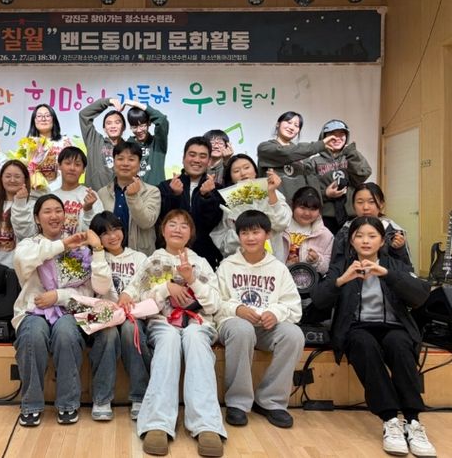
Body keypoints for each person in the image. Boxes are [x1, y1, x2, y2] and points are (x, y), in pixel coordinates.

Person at [312, 217, 436, 457]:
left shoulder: (395, 264)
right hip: (356, 328)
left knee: (400, 344)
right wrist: (342, 280)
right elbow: (318, 300)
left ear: (382, 241)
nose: (365, 241)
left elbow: (420, 296)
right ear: (351, 241)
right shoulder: (342, 265)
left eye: (372, 236)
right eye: (359, 236)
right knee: (363, 344)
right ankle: (390, 420)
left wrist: (387, 274)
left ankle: (413, 421)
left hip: (394, 326)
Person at [125, 210, 225, 457]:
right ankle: (157, 423)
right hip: (162, 322)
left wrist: (192, 280)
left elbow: (214, 304)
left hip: (198, 323)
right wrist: (165, 288)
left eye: (184, 225)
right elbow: (135, 295)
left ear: (191, 233)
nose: (178, 229)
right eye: (172, 224)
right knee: (169, 339)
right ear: (163, 230)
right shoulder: (152, 261)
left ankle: (207, 425)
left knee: (194, 339)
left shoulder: (200, 262)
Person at [12, 195, 111, 427]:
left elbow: (92, 290)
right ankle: (31, 404)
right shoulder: (29, 245)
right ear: (37, 218)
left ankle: (68, 403)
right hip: (34, 309)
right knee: (32, 335)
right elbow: (23, 260)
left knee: (66, 332)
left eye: (58, 210)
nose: (54, 216)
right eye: (47, 211)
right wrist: (63, 245)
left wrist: (59, 296)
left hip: (70, 309)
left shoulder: (80, 246)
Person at [215, 210, 304, 429]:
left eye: (256, 232)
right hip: (233, 325)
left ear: (267, 234)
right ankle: (237, 402)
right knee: (242, 330)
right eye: (244, 233)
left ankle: (271, 401)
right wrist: (237, 309)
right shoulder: (227, 265)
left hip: (266, 328)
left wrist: (275, 313)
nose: (250, 237)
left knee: (294, 335)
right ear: (238, 236)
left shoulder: (278, 268)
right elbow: (215, 303)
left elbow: (293, 306)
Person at [88, 211, 151, 421]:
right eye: (104, 233)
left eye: (116, 229)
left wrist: (128, 297)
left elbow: (145, 287)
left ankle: (140, 396)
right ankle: (102, 398)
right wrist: (97, 252)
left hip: (132, 313)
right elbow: (98, 289)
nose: (112, 236)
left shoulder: (140, 258)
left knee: (131, 330)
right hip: (104, 315)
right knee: (108, 335)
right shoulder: (94, 258)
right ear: (97, 237)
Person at [158, 136, 224, 269]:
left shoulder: (217, 190)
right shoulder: (165, 186)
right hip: (169, 257)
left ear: (209, 161)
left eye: (202, 156)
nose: (197, 160)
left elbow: (213, 224)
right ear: (183, 158)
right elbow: (161, 220)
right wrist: (174, 195)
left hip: (205, 259)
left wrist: (207, 197)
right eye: (192, 155)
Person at [210, 154, 291, 262]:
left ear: (255, 171)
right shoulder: (229, 200)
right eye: (236, 171)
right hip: (239, 264)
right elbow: (221, 240)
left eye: (246, 167)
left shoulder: (273, 192)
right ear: (231, 177)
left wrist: (271, 193)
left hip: (271, 261)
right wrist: (242, 234)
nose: (243, 173)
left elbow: (282, 224)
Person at [305, 119, 372, 234]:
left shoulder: (351, 156)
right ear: (324, 137)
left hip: (351, 215)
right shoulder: (314, 161)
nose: (337, 138)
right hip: (325, 216)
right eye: (332, 134)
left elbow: (363, 174)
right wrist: (326, 194)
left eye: (341, 134)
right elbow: (308, 192)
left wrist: (351, 152)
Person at [257, 111, 340, 203]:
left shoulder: (304, 155)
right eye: (289, 122)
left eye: (296, 125)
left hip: (302, 208)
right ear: (278, 124)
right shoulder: (265, 148)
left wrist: (320, 200)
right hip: (277, 207)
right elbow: (287, 153)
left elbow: (312, 184)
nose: (292, 127)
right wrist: (320, 145)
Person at [97, 141, 161, 256]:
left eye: (131, 159)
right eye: (120, 159)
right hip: (109, 257)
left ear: (139, 164)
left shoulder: (152, 192)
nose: (125, 164)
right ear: (114, 162)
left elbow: (146, 222)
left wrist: (133, 197)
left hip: (140, 256)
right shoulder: (102, 193)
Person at [331, 182, 412, 271]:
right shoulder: (345, 231)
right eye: (360, 202)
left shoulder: (393, 231)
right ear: (353, 205)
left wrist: (399, 250)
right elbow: (335, 265)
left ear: (381, 204)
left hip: (385, 279)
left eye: (371, 202)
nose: (366, 207)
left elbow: (407, 270)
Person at [281, 186, 334, 274]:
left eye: (313, 209)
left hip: (308, 281)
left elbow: (327, 269)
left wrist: (316, 260)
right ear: (293, 205)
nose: (307, 213)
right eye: (302, 207)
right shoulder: (280, 228)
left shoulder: (326, 235)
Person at [53, 146, 103, 236]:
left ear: (83, 170)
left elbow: (98, 231)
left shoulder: (90, 196)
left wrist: (88, 210)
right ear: (59, 166)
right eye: (68, 163)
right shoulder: (51, 197)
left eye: (77, 164)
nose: (72, 168)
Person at [79, 97, 127, 191]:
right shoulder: (94, 141)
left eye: (117, 122)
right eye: (109, 123)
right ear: (104, 128)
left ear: (124, 127)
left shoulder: (129, 148)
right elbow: (84, 115)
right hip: (94, 197)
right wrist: (107, 102)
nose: (113, 126)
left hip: (120, 197)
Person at [25, 104, 73, 193]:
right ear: (34, 120)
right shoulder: (27, 143)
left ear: (53, 119)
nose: (43, 119)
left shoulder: (65, 141)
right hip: (35, 191)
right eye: (39, 116)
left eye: (47, 116)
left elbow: (72, 167)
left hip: (60, 190)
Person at [125, 100, 169, 186]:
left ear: (149, 123)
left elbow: (162, 120)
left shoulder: (158, 143)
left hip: (157, 192)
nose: (139, 130)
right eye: (134, 127)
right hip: (135, 192)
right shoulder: (127, 146)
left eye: (142, 125)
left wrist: (137, 104)